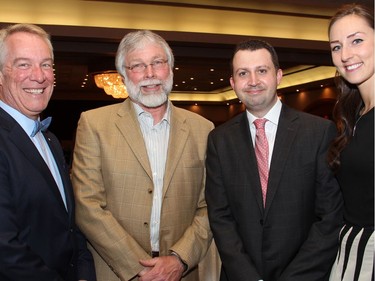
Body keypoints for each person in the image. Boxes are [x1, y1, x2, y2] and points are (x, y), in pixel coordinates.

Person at [71, 30, 217, 281]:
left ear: (171, 69)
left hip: (181, 272)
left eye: (158, 63)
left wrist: (179, 259)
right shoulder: (93, 124)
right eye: (138, 65)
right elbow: (88, 206)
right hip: (116, 272)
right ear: (124, 75)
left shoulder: (203, 129)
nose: (150, 74)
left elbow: (210, 207)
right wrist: (136, 267)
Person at [205, 39, 344, 281]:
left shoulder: (319, 132)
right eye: (243, 73)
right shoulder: (219, 140)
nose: (253, 81)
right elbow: (220, 217)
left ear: (278, 75)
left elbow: (329, 218)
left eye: (262, 70)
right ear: (233, 83)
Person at [0, 23, 96, 281]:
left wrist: (85, 274)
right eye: (23, 64)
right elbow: (5, 249)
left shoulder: (50, 140)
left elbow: (70, 227)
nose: (39, 76)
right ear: (0, 75)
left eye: (46, 64)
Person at [327, 4, 374, 281]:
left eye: (357, 40)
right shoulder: (353, 112)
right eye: (336, 47)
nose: (345, 55)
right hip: (348, 252)